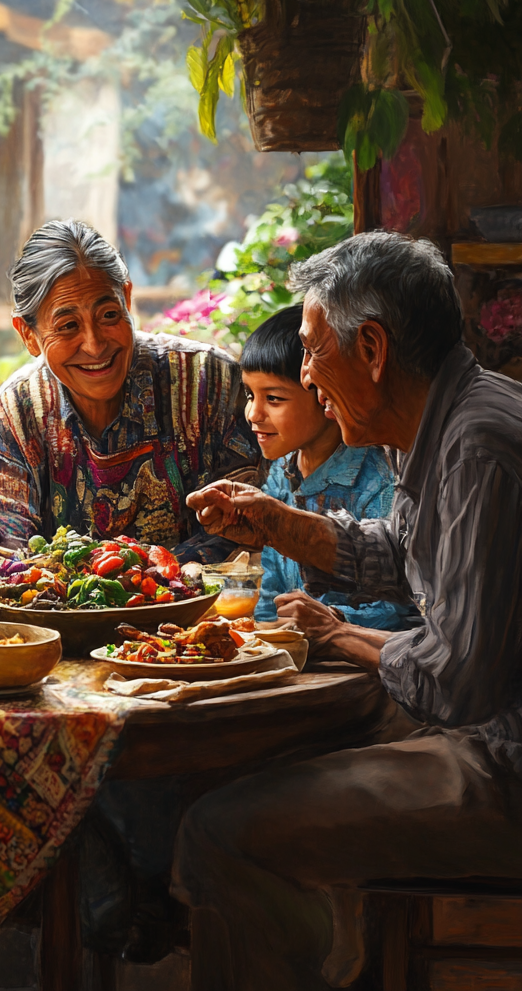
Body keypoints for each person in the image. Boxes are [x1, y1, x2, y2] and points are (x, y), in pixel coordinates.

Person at [178, 231, 522, 991]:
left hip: (504, 765)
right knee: (252, 766)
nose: (304, 375)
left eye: (310, 351)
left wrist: (343, 635)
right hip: (480, 729)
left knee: (223, 833)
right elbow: (405, 555)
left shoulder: (477, 448)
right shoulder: (439, 422)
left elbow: (458, 681)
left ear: (371, 348)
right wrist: (277, 520)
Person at [0, 218, 260, 561]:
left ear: (127, 298)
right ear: (27, 334)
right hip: (61, 613)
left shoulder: (208, 381)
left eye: (109, 315)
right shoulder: (16, 414)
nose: (95, 345)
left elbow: (249, 522)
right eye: (67, 326)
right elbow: (8, 554)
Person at [240, 304, 413, 630]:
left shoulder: (377, 480)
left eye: (274, 398)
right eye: (250, 394)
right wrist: (262, 634)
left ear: (325, 395)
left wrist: (326, 626)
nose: (253, 413)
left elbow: (392, 610)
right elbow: (272, 584)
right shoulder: (280, 472)